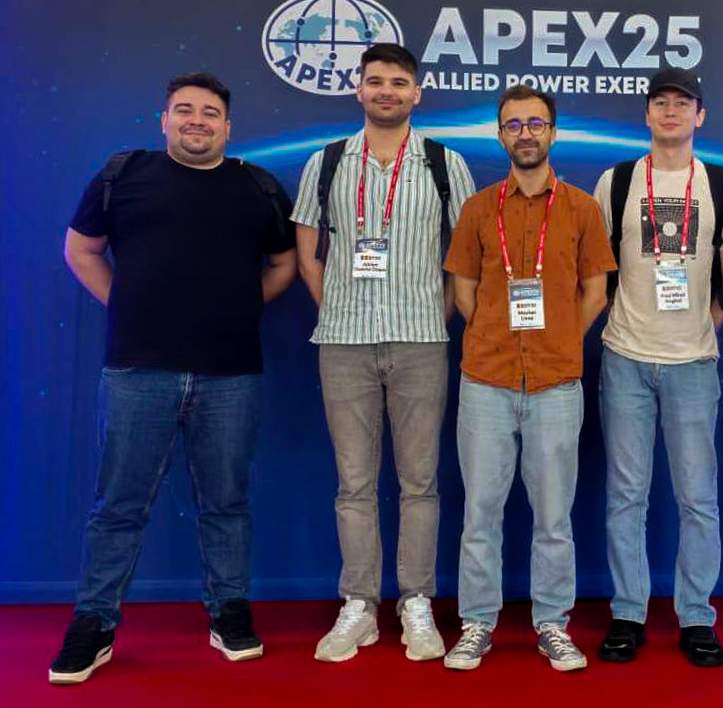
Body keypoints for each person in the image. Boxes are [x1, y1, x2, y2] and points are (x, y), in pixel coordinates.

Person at [50, 72, 297, 684]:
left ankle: (229, 611)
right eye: (184, 110)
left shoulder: (258, 187)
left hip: (231, 374)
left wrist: (241, 307)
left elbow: (284, 262)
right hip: (139, 371)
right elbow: (81, 250)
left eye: (209, 113)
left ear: (227, 127)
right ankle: (94, 622)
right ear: (164, 120)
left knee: (227, 502)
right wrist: (126, 305)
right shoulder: (123, 176)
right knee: (119, 504)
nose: (196, 121)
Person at [292, 43, 475, 663]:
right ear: (359, 90)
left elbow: (464, 257)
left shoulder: (444, 164)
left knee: (420, 482)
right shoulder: (327, 162)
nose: (387, 91)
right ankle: (360, 605)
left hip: (421, 341)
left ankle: (416, 601)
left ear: (416, 93)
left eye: (399, 82)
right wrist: (338, 308)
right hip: (342, 343)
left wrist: (436, 314)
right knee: (354, 483)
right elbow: (307, 251)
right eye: (376, 81)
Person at [441, 85, 617, 672]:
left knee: (554, 518)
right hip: (486, 380)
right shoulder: (477, 209)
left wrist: (560, 337)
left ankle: (552, 623)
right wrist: (495, 332)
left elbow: (596, 291)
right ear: (500, 135)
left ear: (552, 132)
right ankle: (477, 623)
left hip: (555, 383)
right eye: (513, 125)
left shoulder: (582, 209)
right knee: (480, 514)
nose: (525, 134)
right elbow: (464, 289)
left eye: (536, 124)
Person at [593, 67, 723, 667]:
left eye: (682, 103)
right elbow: (598, 267)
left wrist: (703, 327)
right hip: (625, 358)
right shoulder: (617, 181)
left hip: (693, 365)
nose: (670, 111)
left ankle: (697, 617)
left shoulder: (720, 184)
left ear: (699, 115)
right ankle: (628, 612)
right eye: (660, 102)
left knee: (697, 498)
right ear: (647, 114)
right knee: (625, 496)